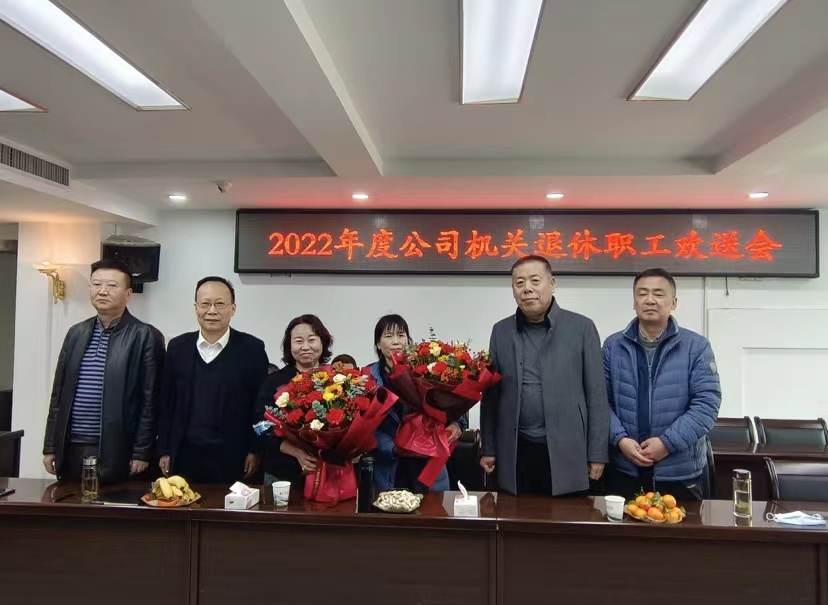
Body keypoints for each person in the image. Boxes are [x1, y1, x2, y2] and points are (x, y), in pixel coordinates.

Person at [480, 255, 609, 496]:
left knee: (567, 516)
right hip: (516, 449)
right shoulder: (501, 331)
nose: (527, 288)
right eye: (519, 283)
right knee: (516, 515)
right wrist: (488, 447)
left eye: (535, 280)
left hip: (568, 449)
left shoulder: (582, 328)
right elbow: (491, 396)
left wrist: (597, 453)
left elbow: (597, 396)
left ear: (552, 283)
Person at [602, 268, 721, 501]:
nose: (650, 300)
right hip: (624, 468)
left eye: (658, 293)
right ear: (634, 302)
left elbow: (707, 405)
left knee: (680, 525)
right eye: (642, 293)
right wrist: (620, 440)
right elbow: (600, 402)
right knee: (623, 525)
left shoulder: (696, 347)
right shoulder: (613, 346)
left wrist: (666, 443)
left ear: (673, 302)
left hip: (679, 472)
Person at [42, 259, 165, 483]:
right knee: (69, 502)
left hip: (118, 447)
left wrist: (141, 451)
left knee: (114, 503)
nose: (102, 291)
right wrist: (51, 445)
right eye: (97, 284)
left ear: (128, 293)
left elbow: (151, 400)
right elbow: (58, 395)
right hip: (71, 445)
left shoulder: (145, 335)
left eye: (111, 285)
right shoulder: (76, 333)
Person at [157, 277, 268, 484]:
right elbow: (167, 402)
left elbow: (260, 407)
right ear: (195, 308)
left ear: (233, 309)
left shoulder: (252, 349)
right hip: (185, 453)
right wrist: (164, 449)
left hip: (234, 455)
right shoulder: (177, 347)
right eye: (205, 304)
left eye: (220, 304)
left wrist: (255, 449)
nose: (212, 311)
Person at [366, 314, 466, 493]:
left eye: (401, 335)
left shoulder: (424, 370)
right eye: (388, 336)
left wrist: (457, 423)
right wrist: (392, 448)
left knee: (431, 509)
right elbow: (365, 427)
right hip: (390, 466)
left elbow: (454, 403)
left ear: (408, 340)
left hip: (427, 460)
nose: (396, 341)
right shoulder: (368, 378)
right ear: (378, 344)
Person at [255, 314, 333, 487]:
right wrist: (296, 452)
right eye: (298, 341)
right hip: (282, 474)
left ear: (323, 342)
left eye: (311, 340)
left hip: (328, 473)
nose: (305, 347)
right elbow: (259, 427)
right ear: (289, 346)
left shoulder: (336, 380)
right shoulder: (273, 382)